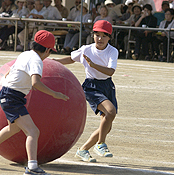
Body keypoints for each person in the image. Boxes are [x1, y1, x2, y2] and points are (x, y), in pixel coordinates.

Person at [0, 30, 69, 175]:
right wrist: (55, 94)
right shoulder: (36, 60)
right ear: (46, 50)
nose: (49, 55)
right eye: (50, 52)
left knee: (14, 128)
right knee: (33, 131)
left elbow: (10, 71)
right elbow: (36, 83)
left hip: (8, 94)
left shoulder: (25, 54)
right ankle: (32, 167)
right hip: (12, 97)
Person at [53, 20, 118, 162]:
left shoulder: (113, 51)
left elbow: (110, 71)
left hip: (107, 86)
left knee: (106, 126)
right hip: (91, 87)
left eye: (104, 36)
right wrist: (55, 61)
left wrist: (93, 65)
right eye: (97, 35)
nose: (100, 39)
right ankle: (100, 144)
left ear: (109, 38)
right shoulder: (86, 49)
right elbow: (71, 59)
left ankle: (83, 150)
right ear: (92, 35)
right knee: (111, 111)